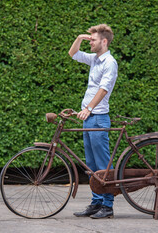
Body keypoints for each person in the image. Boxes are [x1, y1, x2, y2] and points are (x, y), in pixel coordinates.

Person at [68, 24, 118, 219]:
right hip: (88, 118)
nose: (91, 43)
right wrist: (81, 37)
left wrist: (88, 108)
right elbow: (72, 53)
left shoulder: (109, 62)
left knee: (102, 164)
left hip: (97, 118)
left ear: (104, 42)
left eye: (93, 40)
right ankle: (96, 202)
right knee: (90, 164)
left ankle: (108, 205)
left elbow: (104, 89)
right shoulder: (95, 59)